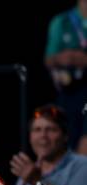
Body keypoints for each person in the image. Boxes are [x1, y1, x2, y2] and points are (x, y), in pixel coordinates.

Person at [44, 0, 87, 153]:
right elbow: (49, 60)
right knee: (65, 143)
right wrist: (62, 58)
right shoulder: (61, 21)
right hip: (69, 93)